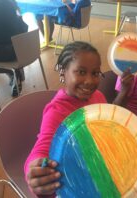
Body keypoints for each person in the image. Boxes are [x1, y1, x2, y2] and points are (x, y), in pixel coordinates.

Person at [24, 41, 106, 196]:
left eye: (95, 73)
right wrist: (35, 169)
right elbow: (42, 147)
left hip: (94, 167)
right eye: (81, 72)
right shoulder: (56, 112)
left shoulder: (98, 96)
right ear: (63, 72)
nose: (89, 81)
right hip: (75, 179)